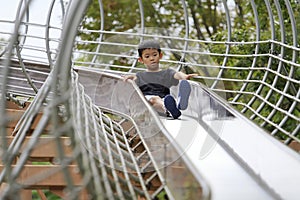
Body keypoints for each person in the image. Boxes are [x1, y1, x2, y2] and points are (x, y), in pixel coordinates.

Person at [123, 40, 197, 119]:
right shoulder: (140, 76)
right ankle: (171, 108)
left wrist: (184, 76)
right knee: (153, 99)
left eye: (154, 55)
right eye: (147, 56)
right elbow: (134, 80)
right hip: (147, 103)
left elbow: (176, 74)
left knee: (163, 100)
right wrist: (131, 79)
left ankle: (174, 106)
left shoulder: (167, 73)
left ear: (160, 56)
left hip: (163, 100)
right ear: (141, 60)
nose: (152, 58)